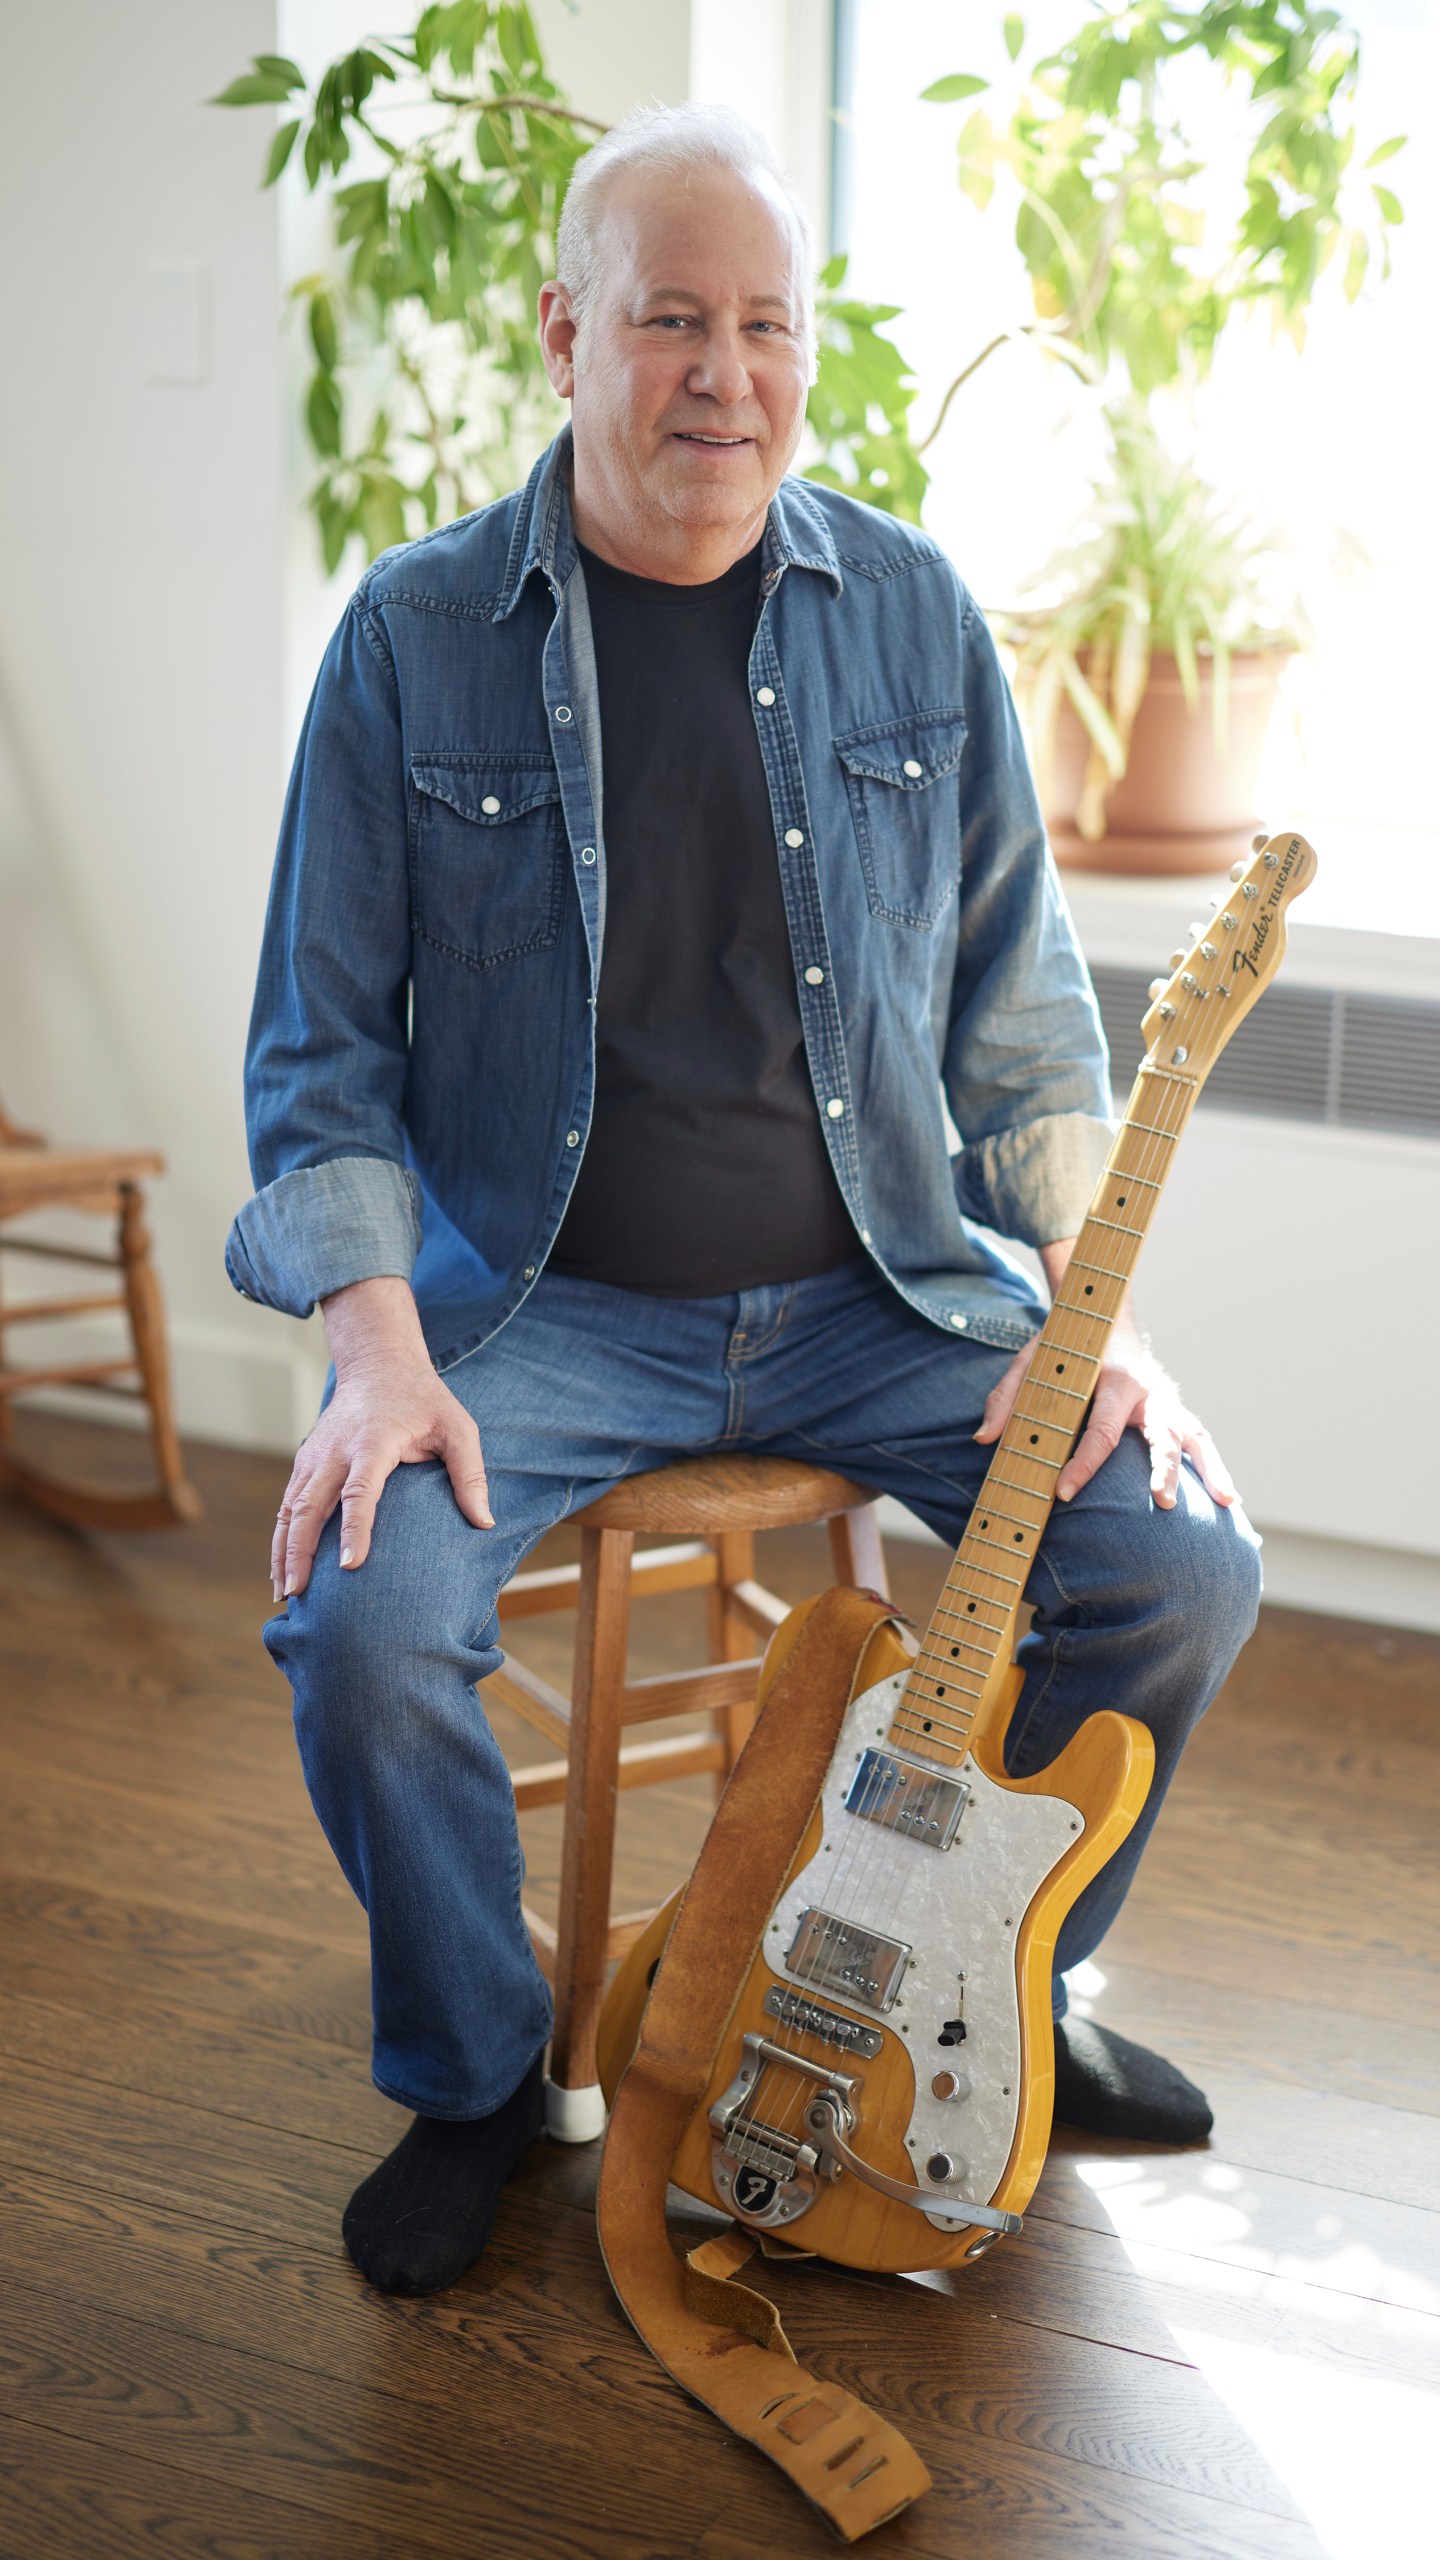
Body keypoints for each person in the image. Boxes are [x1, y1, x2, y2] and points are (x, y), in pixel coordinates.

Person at [228, 105, 1260, 2299]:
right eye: (673, 318)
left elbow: (1026, 1034)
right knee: (365, 1619)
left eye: (765, 323)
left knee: (1177, 1560)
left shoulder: (908, 616)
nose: (726, 372)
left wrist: (1101, 1318)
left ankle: (1026, 1981)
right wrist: (374, 1351)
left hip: (880, 1286)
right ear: (565, 332)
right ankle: (479, 2072)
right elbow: (318, 1057)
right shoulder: (413, 642)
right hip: (542, 1314)